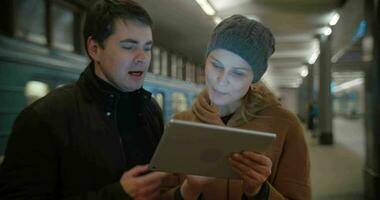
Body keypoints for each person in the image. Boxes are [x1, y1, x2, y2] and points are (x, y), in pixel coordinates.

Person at [0, 0, 176, 199]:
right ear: (94, 49)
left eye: (147, 48)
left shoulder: (149, 109)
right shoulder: (45, 117)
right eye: (129, 47)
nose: (142, 58)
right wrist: (118, 195)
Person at [167, 15, 311, 200]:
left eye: (238, 73)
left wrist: (259, 192)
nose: (221, 80)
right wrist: (189, 189)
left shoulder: (286, 125)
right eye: (216, 65)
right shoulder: (180, 123)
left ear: (254, 78)